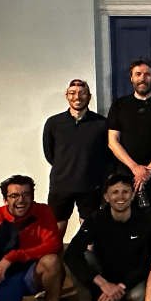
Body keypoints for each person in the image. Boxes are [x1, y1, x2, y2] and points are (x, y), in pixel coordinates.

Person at [64, 174, 151, 301]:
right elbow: (71, 253)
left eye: (125, 192)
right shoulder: (96, 219)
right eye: (115, 192)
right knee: (83, 256)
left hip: (133, 278)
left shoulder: (145, 219)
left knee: (139, 297)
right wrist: (104, 284)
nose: (120, 197)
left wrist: (121, 286)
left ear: (133, 194)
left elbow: (147, 260)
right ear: (106, 197)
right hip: (104, 275)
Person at [107, 59, 151, 222]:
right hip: (126, 172)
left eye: (147, 74)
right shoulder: (119, 105)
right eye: (138, 74)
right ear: (131, 78)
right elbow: (112, 141)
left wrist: (148, 170)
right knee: (125, 218)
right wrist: (135, 168)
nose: (142, 78)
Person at [42, 79, 111, 238]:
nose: (77, 97)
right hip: (61, 185)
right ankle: (55, 263)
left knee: (89, 234)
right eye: (72, 93)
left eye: (82, 93)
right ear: (66, 96)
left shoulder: (101, 123)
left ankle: (85, 262)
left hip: (90, 185)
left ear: (89, 96)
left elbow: (106, 156)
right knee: (54, 234)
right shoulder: (53, 123)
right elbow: (50, 154)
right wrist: (66, 167)